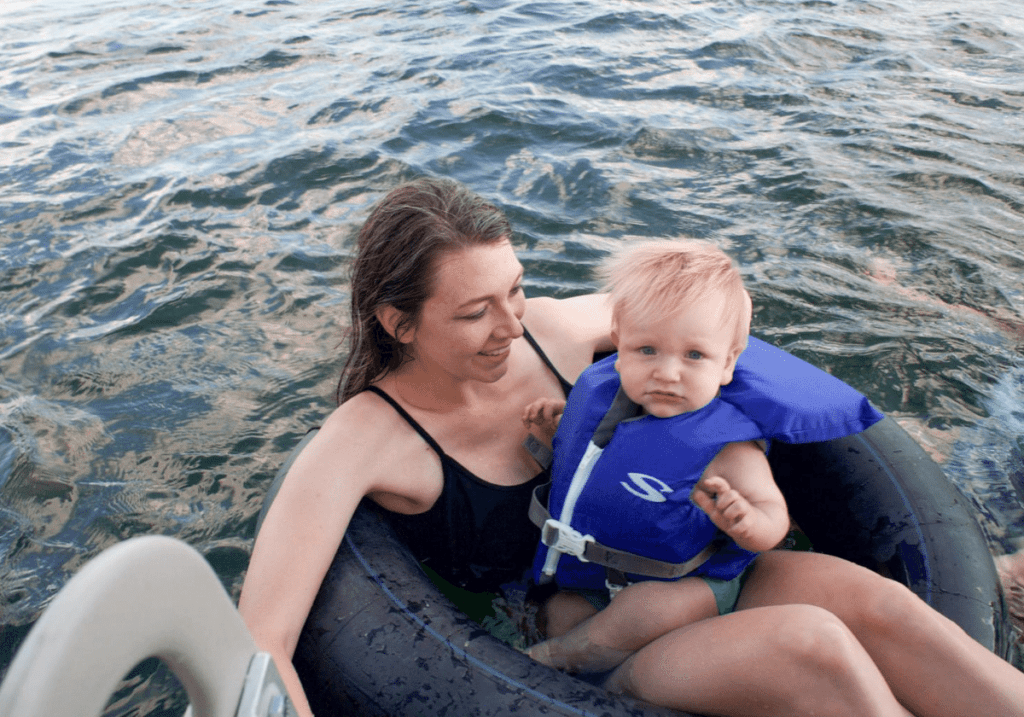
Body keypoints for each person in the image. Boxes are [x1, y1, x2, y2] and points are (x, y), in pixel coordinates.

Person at [238, 178, 1024, 717]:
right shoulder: (366, 440)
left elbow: (693, 306)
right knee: (814, 644)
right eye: (475, 312)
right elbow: (262, 637)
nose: (512, 326)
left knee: (878, 605)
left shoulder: (550, 333)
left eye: (515, 289)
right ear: (398, 323)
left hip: (697, 573)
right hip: (590, 638)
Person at [522, 238, 810, 675]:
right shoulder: (602, 403)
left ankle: (565, 658)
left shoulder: (726, 445)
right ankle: (577, 671)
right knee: (560, 612)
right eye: (647, 350)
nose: (667, 372)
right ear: (619, 342)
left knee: (650, 608)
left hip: (685, 584)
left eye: (694, 355)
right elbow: (585, 476)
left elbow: (774, 517)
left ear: (728, 363)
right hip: (595, 576)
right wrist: (554, 437)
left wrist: (746, 522)